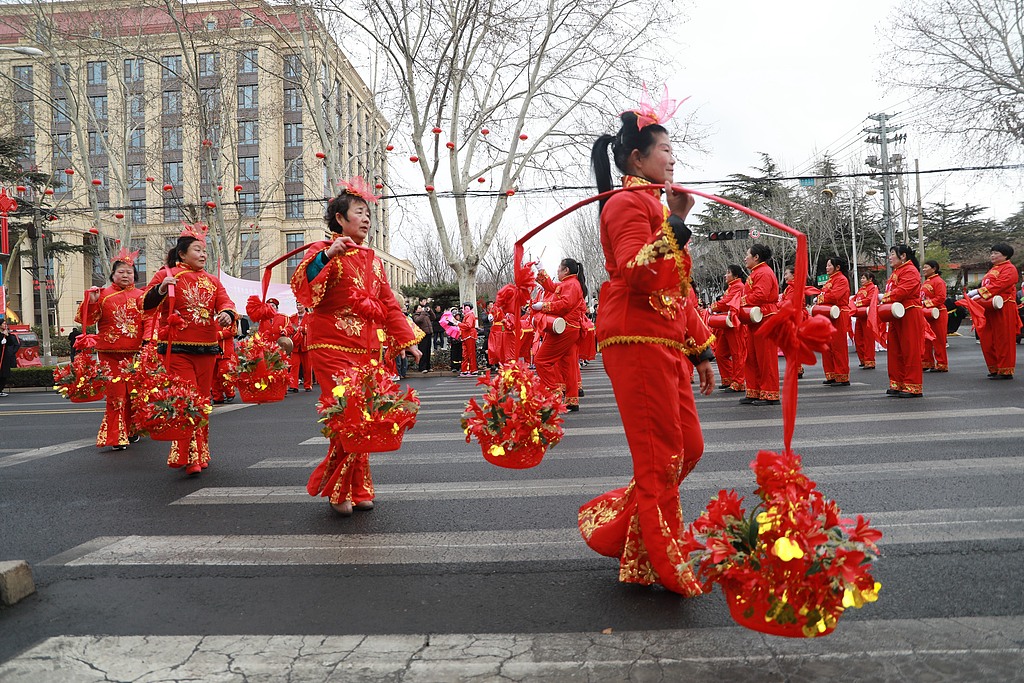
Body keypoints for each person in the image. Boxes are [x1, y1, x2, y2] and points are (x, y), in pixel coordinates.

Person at [578, 102, 715, 596]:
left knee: (689, 448)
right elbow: (636, 270)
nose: (673, 158)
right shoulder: (624, 205)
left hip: (666, 342)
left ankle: (628, 539)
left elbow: (678, 288)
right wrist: (676, 224)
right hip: (634, 339)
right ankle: (663, 555)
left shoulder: (654, 208)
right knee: (660, 456)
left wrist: (700, 348)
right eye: (665, 149)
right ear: (637, 159)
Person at [290, 178, 422, 517]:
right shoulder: (322, 249)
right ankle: (340, 489)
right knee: (347, 414)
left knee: (365, 417)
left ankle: (359, 486)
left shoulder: (374, 260)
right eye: (359, 213)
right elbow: (302, 285)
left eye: (368, 214)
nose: (366, 219)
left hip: (365, 350)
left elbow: (388, 303)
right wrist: (327, 257)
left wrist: (407, 339)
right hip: (330, 344)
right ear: (340, 219)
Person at [144, 223, 237, 474]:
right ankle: (187, 455)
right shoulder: (167, 274)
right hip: (177, 350)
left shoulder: (212, 280)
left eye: (205, 250)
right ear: (182, 254)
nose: (203, 254)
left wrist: (228, 313)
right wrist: (161, 289)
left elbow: (226, 302)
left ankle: (200, 452)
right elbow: (145, 303)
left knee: (203, 401)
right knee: (185, 400)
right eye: (198, 249)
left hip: (207, 348)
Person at [76, 249, 146, 450]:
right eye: (121, 272)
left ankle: (132, 429)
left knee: (135, 395)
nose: (125, 275)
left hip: (136, 354)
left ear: (135, 275)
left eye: (129, 272)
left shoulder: (142, 296)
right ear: (113, 275)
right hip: (110, 354)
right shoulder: (103, 295)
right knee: (116, 396)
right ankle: (116, 436)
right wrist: (92, 301)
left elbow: (150, 321)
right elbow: (86, 320)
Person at [531, 259, 588, 411]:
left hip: (565, 329)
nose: (557, 271)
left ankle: (554, 394)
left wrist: (544, 306)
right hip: (571, 329)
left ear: (566, 271)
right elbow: (551, 286)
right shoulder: (570, 284)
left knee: (541, 360)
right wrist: (541, 269)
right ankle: (571, 400)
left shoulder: (571, 284)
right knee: (568, 365)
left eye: (559, 268)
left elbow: (564, 305)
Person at [970, 243, 1019, 379]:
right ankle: (994, 367)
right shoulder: (992, 269)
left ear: (1005, 255)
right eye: (992, 253)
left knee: (1003, 339)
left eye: (996, 253)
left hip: (1003, 306)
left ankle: (1005, 369)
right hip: (989, 306)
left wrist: (979, 292)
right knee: (988, 338)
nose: (992, 255)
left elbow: (1001, 284)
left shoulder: (1009, 268)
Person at [881, 245, 924, 397]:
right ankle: (897, 382)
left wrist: (883, 297)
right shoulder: (896, 272)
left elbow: (904, 290)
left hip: (909, 312)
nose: (890, 257)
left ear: (903, 256)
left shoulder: (910, 271)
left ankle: (913, 385)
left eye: (892, 254)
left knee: (910, 349)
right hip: (896, 313)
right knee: (895, 350)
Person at [741, 244, 780, 405]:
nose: (745, 258)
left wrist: (741, 301)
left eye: (747, 255)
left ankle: (770, 393)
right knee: (751, 356)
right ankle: (754, 390)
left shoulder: (763, 272)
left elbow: (760, 294)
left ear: (756, 257)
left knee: (766, 357)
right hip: (755, 317)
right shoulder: (756, 273)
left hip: (765, 317)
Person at [710, 264, 746, 393]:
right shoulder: (732, 287)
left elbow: (726, 303)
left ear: (735, 275)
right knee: (720, 354)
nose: (725, 275)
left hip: (735, 324)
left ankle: (739, 382)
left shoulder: (738, 287)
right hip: (728, 323)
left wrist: (712, 308)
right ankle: (729, 378)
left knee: (737, 354)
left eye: (728, 273)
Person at [816, 257, 852, 386]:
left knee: (838, 346)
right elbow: (825, 295)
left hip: (839, 314)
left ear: (837, 267)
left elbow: (834, 296)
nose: (827, 268)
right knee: (827, 346)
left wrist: (821, 298)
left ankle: (842, 376)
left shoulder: (842, 280)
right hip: (828, 313)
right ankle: (831, 374)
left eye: (829, 265)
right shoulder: (830, 280)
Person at [921, 260, 949, 373]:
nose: (923, 269)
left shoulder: (938, 281)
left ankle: (942, 363)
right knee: (926, 339)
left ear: (934, 268)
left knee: (938, 339)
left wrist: (925, 303)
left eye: (926, 267)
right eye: (923, 267)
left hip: (938, 313)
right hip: (926, 313)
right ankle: (927, 362)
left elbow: (941, 298)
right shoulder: (926, 282)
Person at [852, 273, 878, 369]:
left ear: (870, 279)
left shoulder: (873, 288)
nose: (861, 280)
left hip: (867, 316)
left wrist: (857, 303)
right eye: (861, 278)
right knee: (858, 339)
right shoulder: (861, 290)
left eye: (863, 278)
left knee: (868, 339)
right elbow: (854, 299)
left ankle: (869, 361)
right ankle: (862, 359)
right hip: (859, 316)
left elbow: (870, 299)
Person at [287, 303, 313, 391]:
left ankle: (308, 385)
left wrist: (303, 329)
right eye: (297, 305)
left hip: (306, 344)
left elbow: (314, 329)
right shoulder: (292, 317)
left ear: (305, 306)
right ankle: (293, 385)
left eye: (300, 305)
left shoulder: (311, 316)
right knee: (294, 365)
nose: (298, 307)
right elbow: (289, 328)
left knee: (307, 367)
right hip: (295, 345)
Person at [0, 318, 21, 397]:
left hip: (5, 357)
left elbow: (11, 343)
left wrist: (7, 336)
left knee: (4, 374)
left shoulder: (6, 333)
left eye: (5, 324)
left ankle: (0, 390)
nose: (5, 325)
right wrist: (1, 338)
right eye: (3, 324)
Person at [458, 303, 478, 376]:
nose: (462, 310)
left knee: (469, 353)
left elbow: (468, 326)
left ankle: (472, 369)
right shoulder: (468, 315)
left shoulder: (469, 315)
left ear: (467, 308)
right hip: (467, 335)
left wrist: (459, 324)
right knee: (466, 353)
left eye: (463, 308)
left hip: (469, 335)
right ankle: (466, 369)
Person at [412, 302, 433, 372]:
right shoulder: (416, 315)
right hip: (422, 335)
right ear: (416, 310)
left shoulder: (425, 314)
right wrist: (423, 313)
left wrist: (430, 310)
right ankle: (422, 367)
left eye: (421, 308)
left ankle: (428, 366)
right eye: (419, 308)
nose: (421, 309)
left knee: (428, 351)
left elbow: (434, 317)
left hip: (428, 333)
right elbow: (418, 320)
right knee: (422, 350)